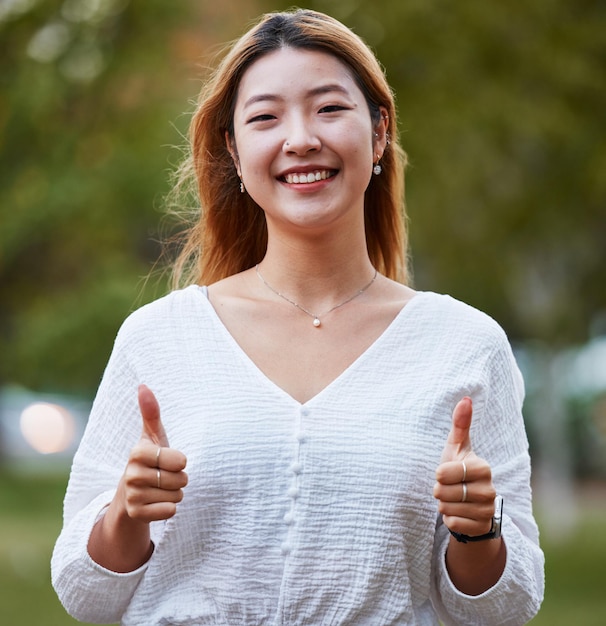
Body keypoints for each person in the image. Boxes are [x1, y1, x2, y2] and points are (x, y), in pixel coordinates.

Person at [51, 8, 544, 625]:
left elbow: (507, 607)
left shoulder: (465, 345)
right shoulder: (158, 338)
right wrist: (126, 513)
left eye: (329, 108)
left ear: (380, 131)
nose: (301, 138)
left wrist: (478, 530)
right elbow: (85, 592)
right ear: (233, 150)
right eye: (265, 117)